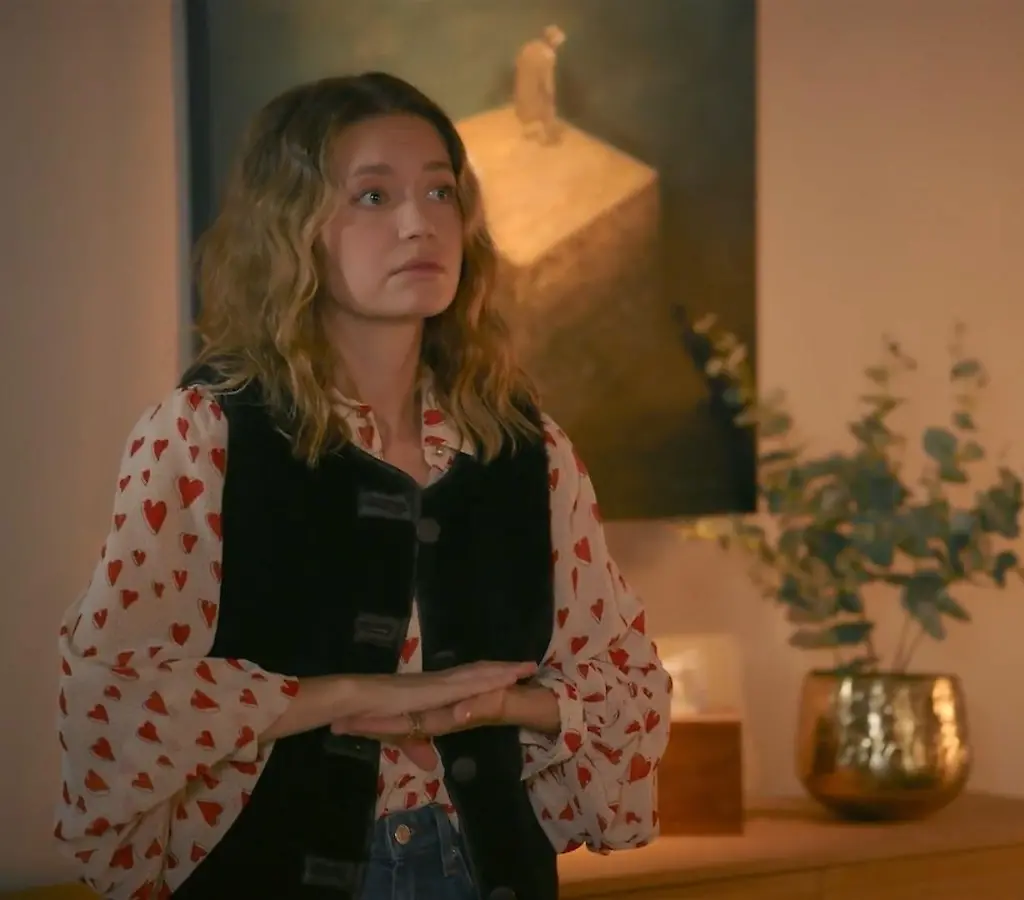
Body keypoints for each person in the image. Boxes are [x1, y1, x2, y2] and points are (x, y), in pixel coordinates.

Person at [53, 71, 672, 900]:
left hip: (485, 870)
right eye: (373, 196)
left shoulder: (529, 448)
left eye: (440, 191)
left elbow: (630, 685)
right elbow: (117, 700)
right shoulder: (204, 435)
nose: (420, 223)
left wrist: (495, 707)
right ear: (294, 227)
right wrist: (349, 693)